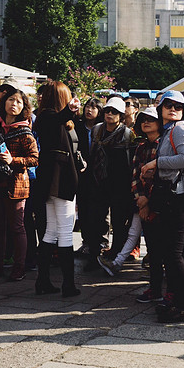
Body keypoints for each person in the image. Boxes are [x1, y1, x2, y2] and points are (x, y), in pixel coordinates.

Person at [140, 90, 184, 322]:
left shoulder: (181, 129)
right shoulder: (167, 132)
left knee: (175, 255)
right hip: (171, 196)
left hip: (180, 198)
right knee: (169, 254)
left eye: (178, 106)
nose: (173, 109)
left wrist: (156, 162)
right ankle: (175, 302)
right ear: (160, 109)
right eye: (168, 105)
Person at [32, 81, 84, 297]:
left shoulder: (50, 117)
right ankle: (68, 285)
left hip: (53, 177)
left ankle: (43, 282)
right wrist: (70, 110)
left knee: (52, 231)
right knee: (63, 231)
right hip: (59, 179)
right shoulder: (48, 116)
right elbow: (58, 119)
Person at [100, 107, 161, 278]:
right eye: (143, 120)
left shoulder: (164, 145)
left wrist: (147, 199)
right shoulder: (141, 147)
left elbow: (161, 177)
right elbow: (134, 174)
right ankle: (117, 263)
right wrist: (140, 198)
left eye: (151, 119)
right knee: (134, 231)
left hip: (158, 200)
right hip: (141, 199)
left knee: (156, 237)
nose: (146, 122)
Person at [0, 87, 39, 282]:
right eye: (11, 100)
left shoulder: (24, 131)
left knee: (17, 227)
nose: (14, 104)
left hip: (17, 185)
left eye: (19, 102)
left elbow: (34, 159)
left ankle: (19, 267)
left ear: (24, 107)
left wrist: (13, 160)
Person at [88, 96, 136, 264]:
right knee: (97, 219)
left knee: (118, 220)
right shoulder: (97, 130)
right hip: (99, 181)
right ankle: (94, 253)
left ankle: (116, 252)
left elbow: (130, 161)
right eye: (107, 110)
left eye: (114, 112)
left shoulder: (127, 134)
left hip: (119, 184)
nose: (109, 114)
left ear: (121, 115)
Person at [76, 97, 106, 259]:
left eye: (94, 108)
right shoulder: (78, 127)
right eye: (87, 106)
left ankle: (100, 241)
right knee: (83, 208)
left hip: (98, 174)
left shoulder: (102, 128)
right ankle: (86, 241)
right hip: (81, 174)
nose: (89, 110)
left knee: (98, 210)